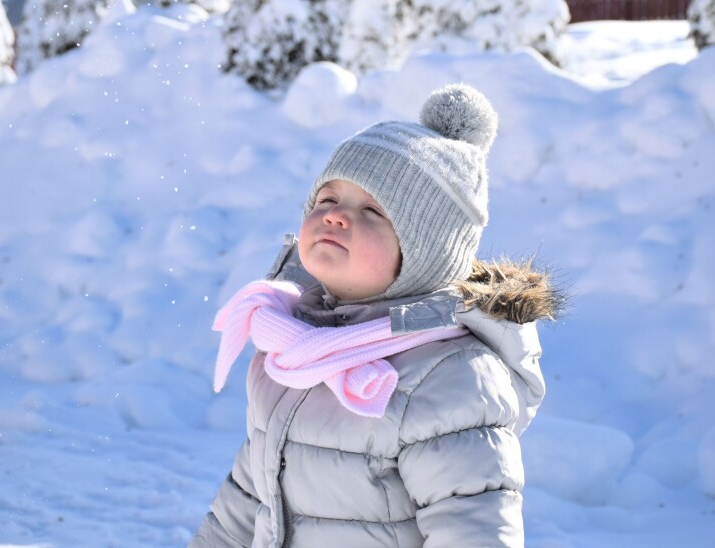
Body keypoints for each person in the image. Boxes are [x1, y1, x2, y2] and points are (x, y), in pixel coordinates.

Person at [190, 83, 560, 548]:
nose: (336, 217)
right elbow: (247, 499)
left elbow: (474, 531)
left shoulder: (448, 377)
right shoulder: (292, 346)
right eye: (327, 200)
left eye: (372, 211)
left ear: (425, 254)